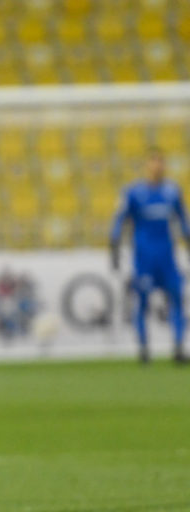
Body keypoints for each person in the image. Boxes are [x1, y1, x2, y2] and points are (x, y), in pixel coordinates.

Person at [110, 146, 190, 363]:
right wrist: (114, 248)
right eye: (154, 161)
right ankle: (144, 349)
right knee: (142, 302)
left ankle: (178, 348)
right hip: (144, 258)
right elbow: (119, 220)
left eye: (161, 162)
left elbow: (183, 221)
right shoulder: (133, 193)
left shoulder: (173, 192)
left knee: (177, 300)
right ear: (147, 165)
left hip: (167, 258)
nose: (158, 166)